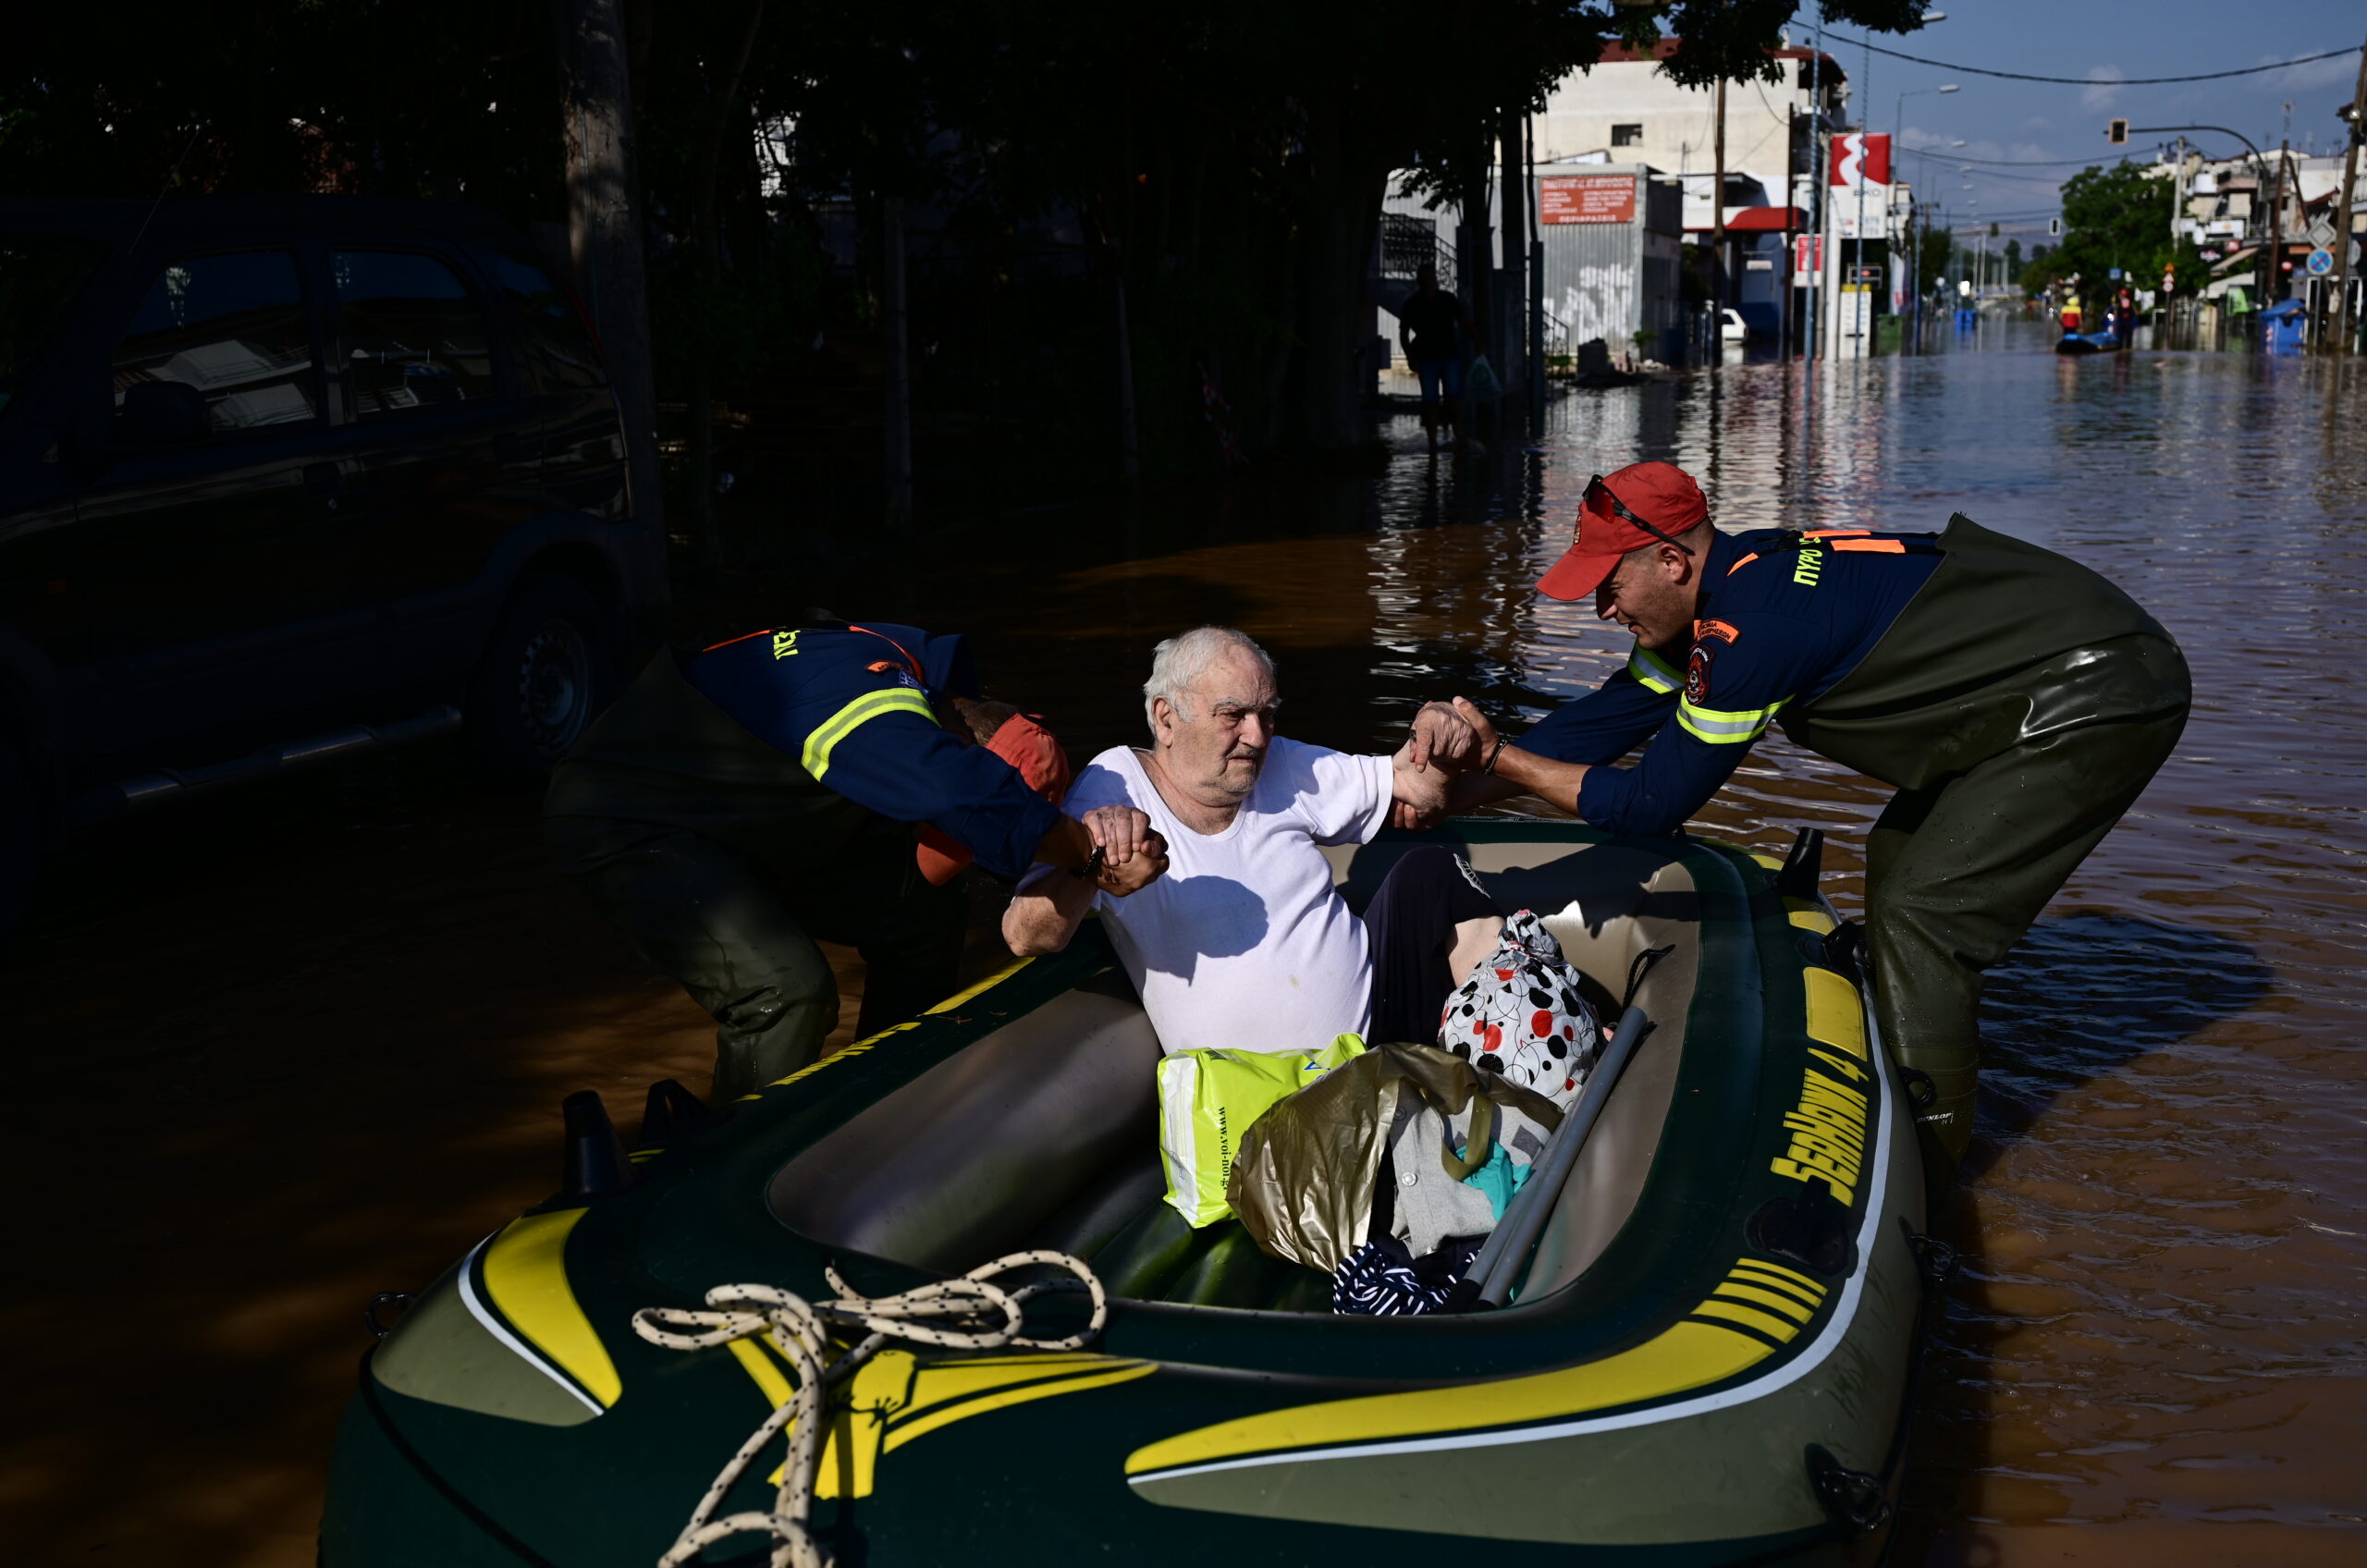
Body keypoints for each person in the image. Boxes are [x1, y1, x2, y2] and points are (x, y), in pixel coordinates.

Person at [1408, 461, 2189, 1175]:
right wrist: (1461, 787)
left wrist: (1499, 754)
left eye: (1609, 585)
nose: (1602, 607)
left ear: (1672, 561)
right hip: (2039, 669)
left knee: (1924, 912)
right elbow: (1607, 721)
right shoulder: (1731, 582)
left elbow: (1653, 804)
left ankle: (1934, 1170)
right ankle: (1913, 1066)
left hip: (2099, 687)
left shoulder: (1753, 632)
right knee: (1896, 859)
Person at [546, 619, 1167, 1100]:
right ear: (951, 733)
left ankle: (883, 1096)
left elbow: (945, 803)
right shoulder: (873, 696)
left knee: (924, 915)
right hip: (627, 816)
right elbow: (954, 788)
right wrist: (1088, 855)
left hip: (746, 816)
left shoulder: (915, 685)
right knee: (786, 989)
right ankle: (730, 1159)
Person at [1003, 627, 1499, 1054]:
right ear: (1166, 719)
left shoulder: (1280, 763)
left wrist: (1433, 732)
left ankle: (1539, 1083)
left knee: (1430, 875)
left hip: (1378, 1036)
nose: (1258, 736)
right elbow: (1026, 934)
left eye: (1267, 714)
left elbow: (1417, 791)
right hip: (1260, 1101)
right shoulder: (1115, 785)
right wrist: (1093, 859)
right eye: (1233, 715)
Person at [1393, 263, 1474, 451]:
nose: (1430, 282)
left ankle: (1457, 432)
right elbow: (1403, 334)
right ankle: (1432, 441)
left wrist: (1478, 341)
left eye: (1432, 278)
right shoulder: (1412, 304)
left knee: (1452, 396)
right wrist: (1410, 357)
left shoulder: (1447, 299)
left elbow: (1464, 322)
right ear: (1419, 281)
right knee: (1430, 401)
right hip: (1427, 358)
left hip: (1449, 355)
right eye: (1426, 278)